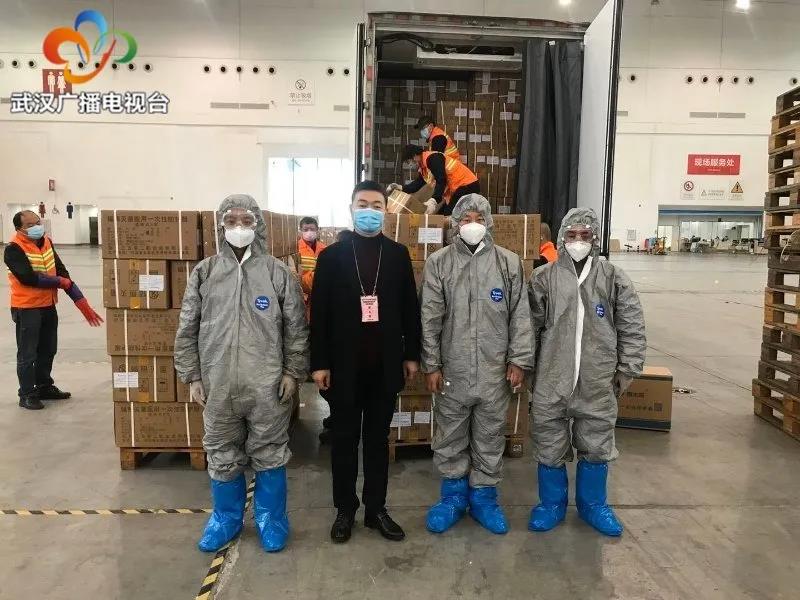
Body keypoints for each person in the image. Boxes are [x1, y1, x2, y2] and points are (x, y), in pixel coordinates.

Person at [174, 194, 309, 554]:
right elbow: (187, 327)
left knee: (270, 451)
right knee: (221, 451)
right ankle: (225, 519)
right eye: (231, 221)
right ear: (220, 225)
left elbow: (296, 328)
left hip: (266, 385)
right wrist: (192, 375)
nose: (238, 227)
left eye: (246, 221)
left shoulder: (277, 273)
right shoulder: (205, 273)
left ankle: (271, 520)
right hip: (217, 384)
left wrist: (292, 372)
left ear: (257, 225)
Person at [310, 180, 421, 544]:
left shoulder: (398, 255)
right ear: (351, 209)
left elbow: (410, 309)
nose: (369, 211)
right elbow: (319, 314)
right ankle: (345, 509)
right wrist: (319, 363)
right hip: (343, 367)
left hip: (384, 366)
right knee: (344, 441)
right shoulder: (331, 257)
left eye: (376, 206)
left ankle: (376, 509)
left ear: (385, 212)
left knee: (377, 441)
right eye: (363, 204)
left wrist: (411, 354)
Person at [527, 207, 646, 537]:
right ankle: (551, 505)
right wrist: (526, 367)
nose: (578, 241)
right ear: (561, 238)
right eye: (572, 234)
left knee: (596, 442)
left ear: (595, 238)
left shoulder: (613, 277)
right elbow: (528, 328)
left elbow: (631, 325)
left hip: (597, 379)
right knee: (549, 441)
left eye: (585, 235)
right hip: (551, 377)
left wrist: (628, 367)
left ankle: (593, 505)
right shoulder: (544, 278)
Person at [420, 194, 533, 535]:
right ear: (455, 223)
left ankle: (484, 499)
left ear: (489, 223)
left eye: (479, 219)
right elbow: (430, 318)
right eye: (466, 219)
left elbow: (520, 316)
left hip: (494, 371)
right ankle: (452, 499)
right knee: (450, 435)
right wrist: (431, 364)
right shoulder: (439, 263)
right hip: (452, 370)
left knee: (489, 435)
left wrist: (518, 360)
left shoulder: (508, 263)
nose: (472, 225)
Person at [5, 210, 103, 410]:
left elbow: (60, 269)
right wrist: (59, 281)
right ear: (19, 229)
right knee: (28, 354)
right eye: (30, 225)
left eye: (37, 222)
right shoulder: (13, 249)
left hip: (48, 304)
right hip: (27, 307)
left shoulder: (46, 242)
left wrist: (80, 301)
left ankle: (44, 386)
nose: (36, 227)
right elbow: (28, 278)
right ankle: (26, 394)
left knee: (48, 349)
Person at [396, 144, 480, 217]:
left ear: (414, 156)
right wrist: (401, 188)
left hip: (467, 185)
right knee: (441, 215)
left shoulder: (433, 158)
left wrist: (434, 200)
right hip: (458, 188)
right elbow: (417, 184)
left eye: (409, 161)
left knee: (449, 215)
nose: (410, 165)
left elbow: (441, 179)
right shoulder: (424, 167)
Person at [297, 217, 326, 319]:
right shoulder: (296, 248)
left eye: (312, 229)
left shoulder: (324, 248)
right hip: (302, 293)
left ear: (317, 230)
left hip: (320, 291)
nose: (309, 232)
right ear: (300, 231)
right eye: (305, 229)